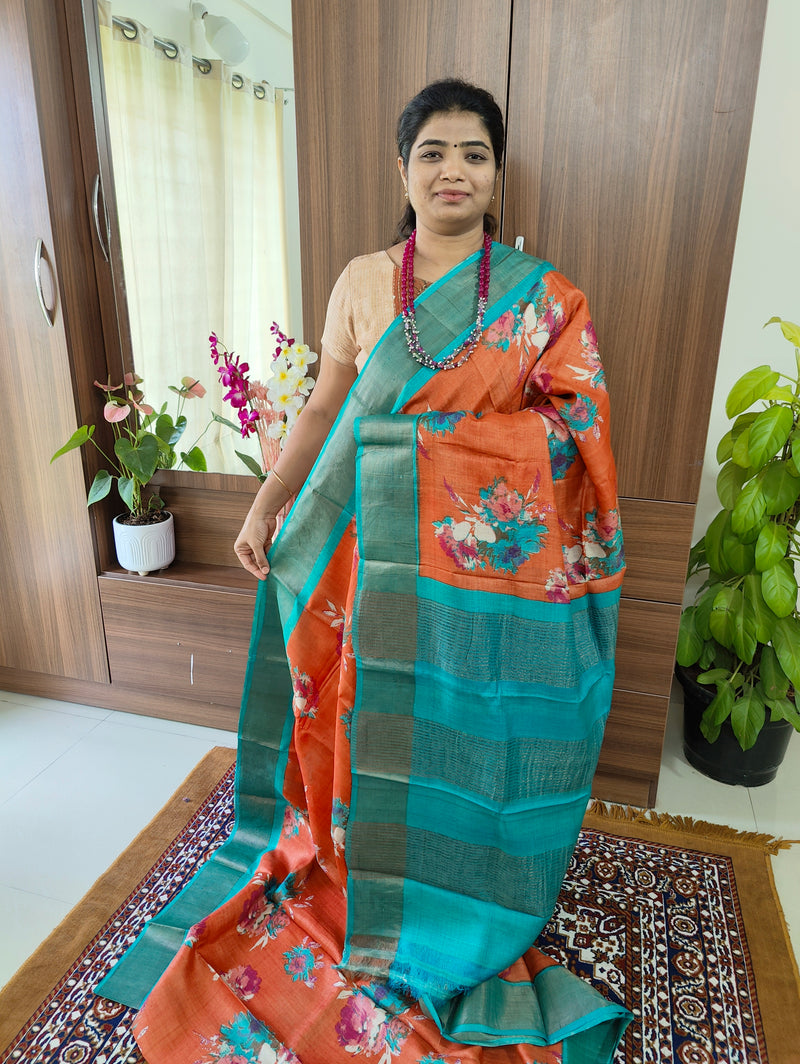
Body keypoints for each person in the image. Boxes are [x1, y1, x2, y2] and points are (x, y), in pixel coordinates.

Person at [98, 79, 630, 1063]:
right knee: (351, 719)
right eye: (432, 151)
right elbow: (321, 412)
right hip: (358, 562)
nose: (452, 170)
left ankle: (447, 884)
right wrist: (266, 506)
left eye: (473, 152)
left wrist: (432, 459)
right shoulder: (357, 283)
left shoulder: (543, 301)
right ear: (403, 168)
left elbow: (575, 434)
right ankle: (354, 862)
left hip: (471, 584)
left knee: (454, 727)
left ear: (495, 173)